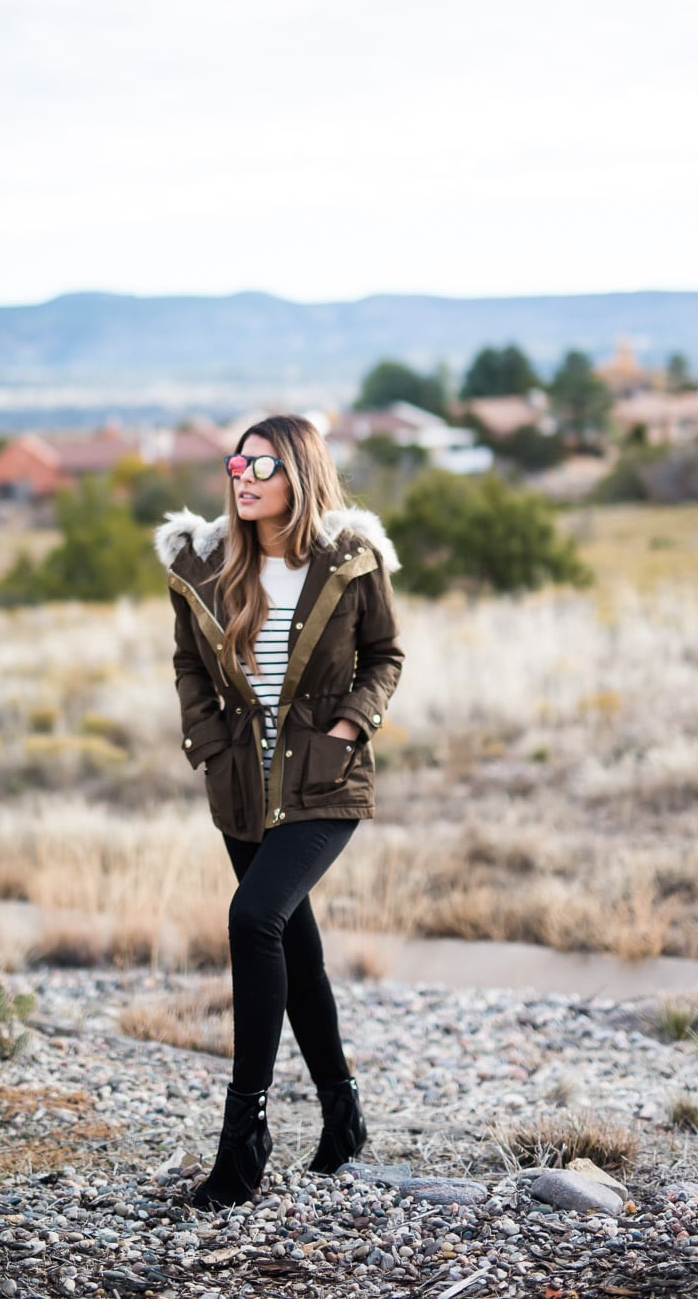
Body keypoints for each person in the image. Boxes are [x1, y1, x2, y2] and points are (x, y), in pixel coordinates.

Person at [155, 413, 404, 1209]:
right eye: (237, 463)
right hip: (240, 787)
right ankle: (342, 1113)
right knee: (293, 947)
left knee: (254, 918)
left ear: (301, 472)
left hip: (323, 782)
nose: (243, 476)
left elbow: (384, 656)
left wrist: (348, 727)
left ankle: (243, 1141)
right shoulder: (203, 563)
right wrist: (206, 744)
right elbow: (189, 665)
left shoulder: (347, 559)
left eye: (262, 465)